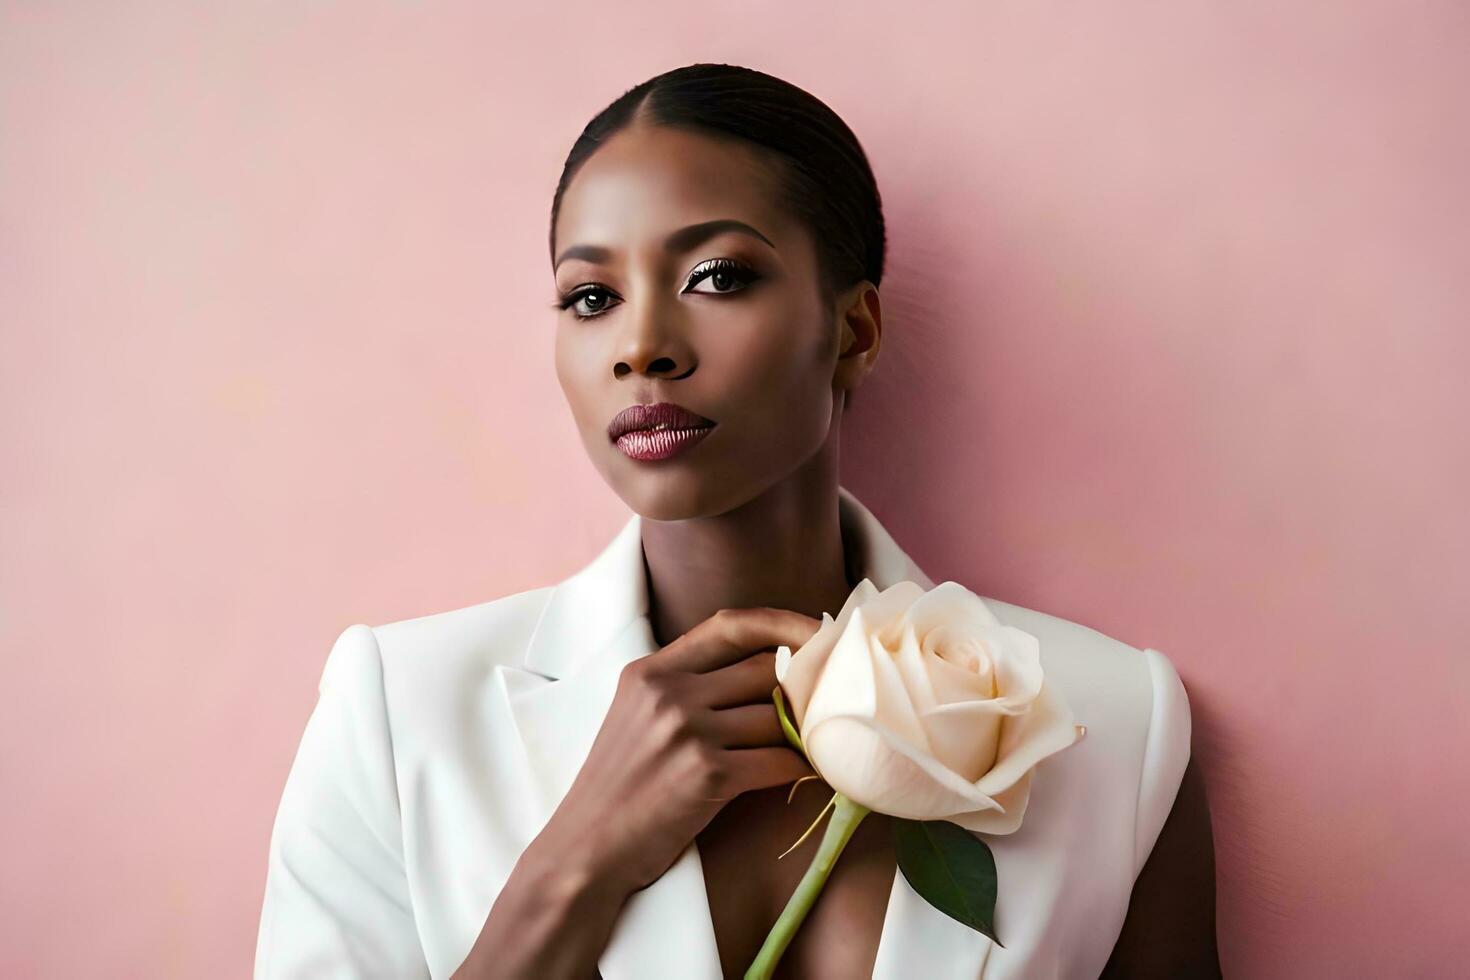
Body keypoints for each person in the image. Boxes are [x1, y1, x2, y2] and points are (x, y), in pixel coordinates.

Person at [254, 63, 1220, 979]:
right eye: (592, 296)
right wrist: (577, 865)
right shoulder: (398, 715)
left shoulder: (1112, 727)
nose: (642, 347)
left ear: (855, 331)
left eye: (716, 276)